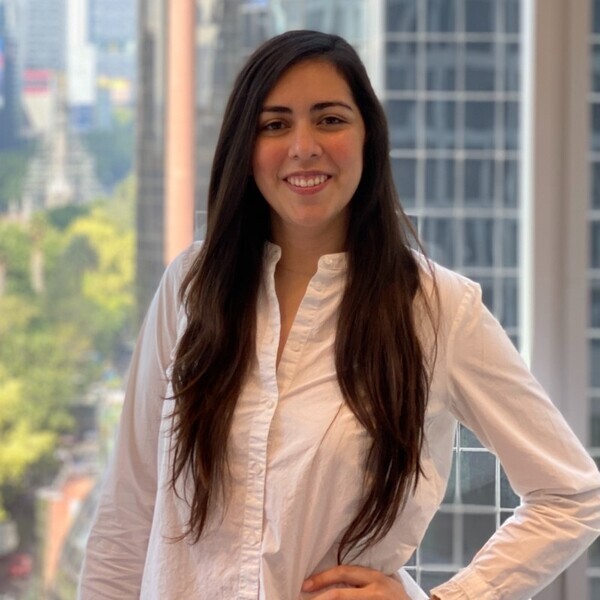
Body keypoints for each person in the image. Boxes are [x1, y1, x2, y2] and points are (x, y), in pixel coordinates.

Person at [78, 30, 600, 600]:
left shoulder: (437, 308)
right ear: (244, 148)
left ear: (368, 137)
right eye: (275, 124)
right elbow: (128, 513)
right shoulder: (191, 285)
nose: (304, 146)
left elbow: (572, 496)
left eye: (330, 119)